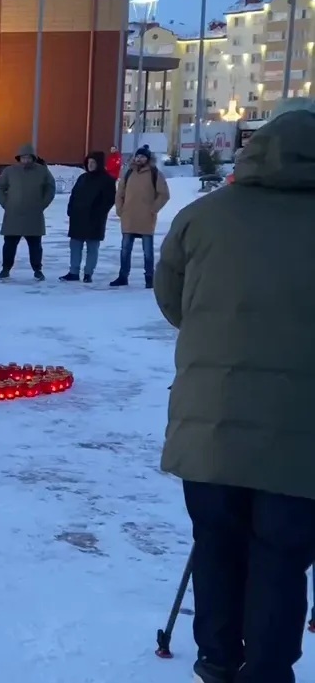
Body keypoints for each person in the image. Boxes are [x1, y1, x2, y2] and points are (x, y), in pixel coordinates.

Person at [153, 98, 315, 683]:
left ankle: (218, 659)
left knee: (216, 543)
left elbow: (173, 301)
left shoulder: (204, 216)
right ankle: (268, 670)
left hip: (211, 420)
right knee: (281, 556)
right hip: (300, 434)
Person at [0, 143, 55, 281]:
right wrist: (5, 203)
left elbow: (50, 188)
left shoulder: (42, 171)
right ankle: (5, 269)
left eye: (28, 157)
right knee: (9, 244)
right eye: (23, 157)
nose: (26, 160)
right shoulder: (10, 171)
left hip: (34, 214)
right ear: (19, 158)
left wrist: (42, 204)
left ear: (33, 158)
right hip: (13, 213)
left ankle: (37, 269)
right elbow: (0, 187)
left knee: (35, 245)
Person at [111, 145, 170, 288]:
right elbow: (120, 193)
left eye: (142, 157)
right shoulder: (128, 172)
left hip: (146, 217)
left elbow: (164, 194)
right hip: (129, 216)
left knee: (147, 252)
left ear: (148, 158)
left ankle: (149, 278)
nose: (139, 159)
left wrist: (153, 209)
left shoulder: (155, 173)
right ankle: (123, 276)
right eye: (137, 156)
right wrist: (120, 209)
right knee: (125, 249)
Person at [60, 151, 116, 283]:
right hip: (78, 218)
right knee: (75, 246)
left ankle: (88, 273)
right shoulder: (82, 178)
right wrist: (70, 210)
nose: (90, 165)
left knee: (92, 247)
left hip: (95, 219)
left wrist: (98, 213)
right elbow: (73, 195)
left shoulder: (107, 180)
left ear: (99, 164)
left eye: (93, 163)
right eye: (89, 162)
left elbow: (108, 200)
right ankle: (73, 272)